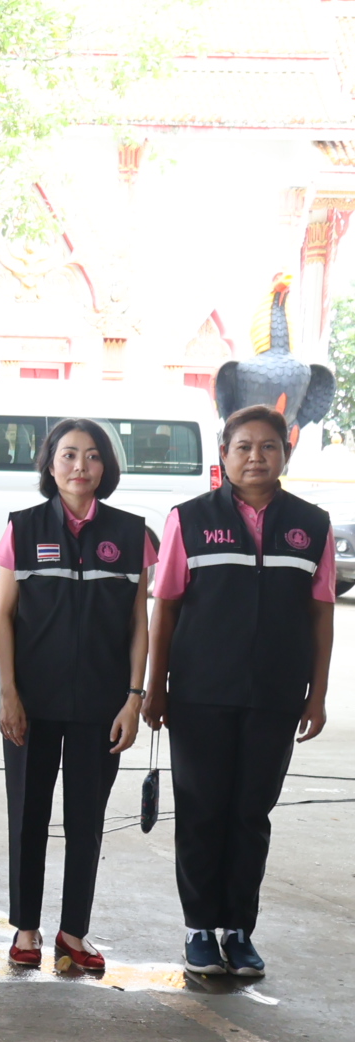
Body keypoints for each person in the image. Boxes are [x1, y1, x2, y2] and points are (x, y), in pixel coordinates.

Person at [145, 405, 332, 979]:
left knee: (251, 813)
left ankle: (238, 930)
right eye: (244, 446)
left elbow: (321, 613)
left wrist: (317, 693)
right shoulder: (190, 519)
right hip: (200, 693)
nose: (256, 456)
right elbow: (167, 607)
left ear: (285, 455)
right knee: (201, 811)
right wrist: (155, 688)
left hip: (275, 694)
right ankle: (200, 927)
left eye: (269, 446)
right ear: (223, 456)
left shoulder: (312, 524)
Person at [0, 418, 152, 974]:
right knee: (28, 816)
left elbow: (138, 623)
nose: (79, 466)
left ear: (106, 466)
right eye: (67, 455)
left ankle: (73, 932)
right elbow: (4, 617)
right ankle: (26, 929)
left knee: (88, 819)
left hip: (102, 706)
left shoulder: (133, 534)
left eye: (91, 456)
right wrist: (9, 692)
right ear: (49, 464)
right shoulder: (23, 527)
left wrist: (134, 698)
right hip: (32, 702)